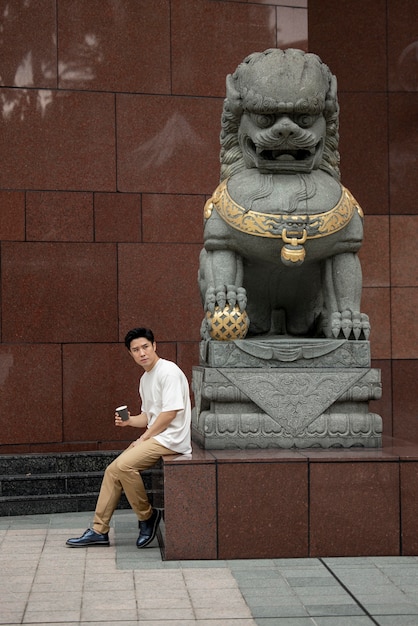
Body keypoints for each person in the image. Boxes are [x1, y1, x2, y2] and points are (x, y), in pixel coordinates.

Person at [66, 327, 192, 548]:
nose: (142, 352)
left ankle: (147, 517)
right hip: (157, 437)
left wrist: (143, 438)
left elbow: (170, 413)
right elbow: (148, 416)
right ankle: (99, 530)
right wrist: (130, 421)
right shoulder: (145, 379)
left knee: (123, 466)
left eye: (145, 347)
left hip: (172, 439)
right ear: (130, 354)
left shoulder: (168, 371)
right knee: (112, 471)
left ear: (154, 346)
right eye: (136, 350)